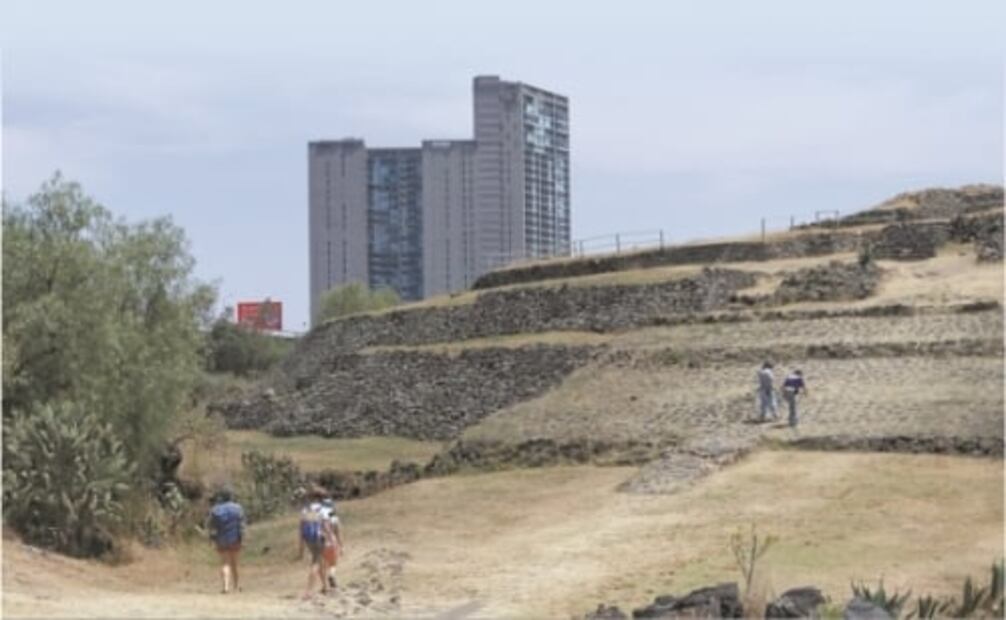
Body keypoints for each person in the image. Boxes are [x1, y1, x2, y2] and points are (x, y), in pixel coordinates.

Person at [207, 487, 245, 594]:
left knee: (225, 563)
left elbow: (211, 526)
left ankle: (225, 587)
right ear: (231, 497)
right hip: (235, 538)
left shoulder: (215, 509)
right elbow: (241, 525)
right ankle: (237, 586)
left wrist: (211, 538)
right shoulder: (238, 508)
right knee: (235, 563)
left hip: (221, 539)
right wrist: (242, 539)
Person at [298, 491, 335, 599]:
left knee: (320, 561)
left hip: (309, 539)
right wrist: (331, 539)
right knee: (316, 563)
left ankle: (325, 586)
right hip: (319, 537)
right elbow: (326, 526)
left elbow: (301, 528)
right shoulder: (323, 509)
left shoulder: (305, 510)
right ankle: (308, 591)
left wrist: (301, 547)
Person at [319, 498, 344, 589]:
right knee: (333, 564)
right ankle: (332, 575)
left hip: (320, 541)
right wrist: (341, 546)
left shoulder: (318, 516)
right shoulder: (333, 517)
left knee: (322, 564)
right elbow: (338, 533)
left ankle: (324, 586)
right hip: (331, 541)